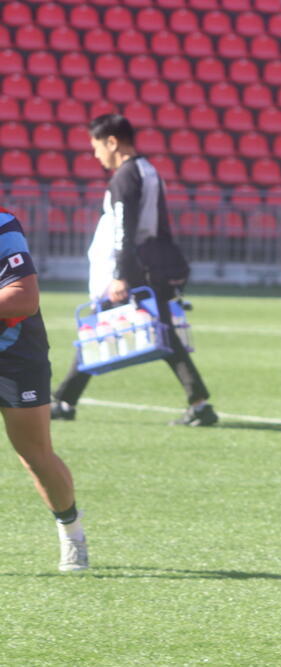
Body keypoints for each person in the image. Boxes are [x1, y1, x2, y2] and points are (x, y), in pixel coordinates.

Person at [50, 114, 217, 427]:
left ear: (112, 142)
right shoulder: (148, 170)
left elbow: (122, 231)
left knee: (101, 328)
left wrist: (120, 275)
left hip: (136, 268)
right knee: (155, 332)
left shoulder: (125, 177)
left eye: (97, 146)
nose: (96, 154)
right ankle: (65, 400)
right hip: (153, 262)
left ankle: (64, 401)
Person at [0, 206, 88, 571]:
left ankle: (71, 531)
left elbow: (25, 297)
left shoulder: (3, 225)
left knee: (35, 455)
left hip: (14, 355)